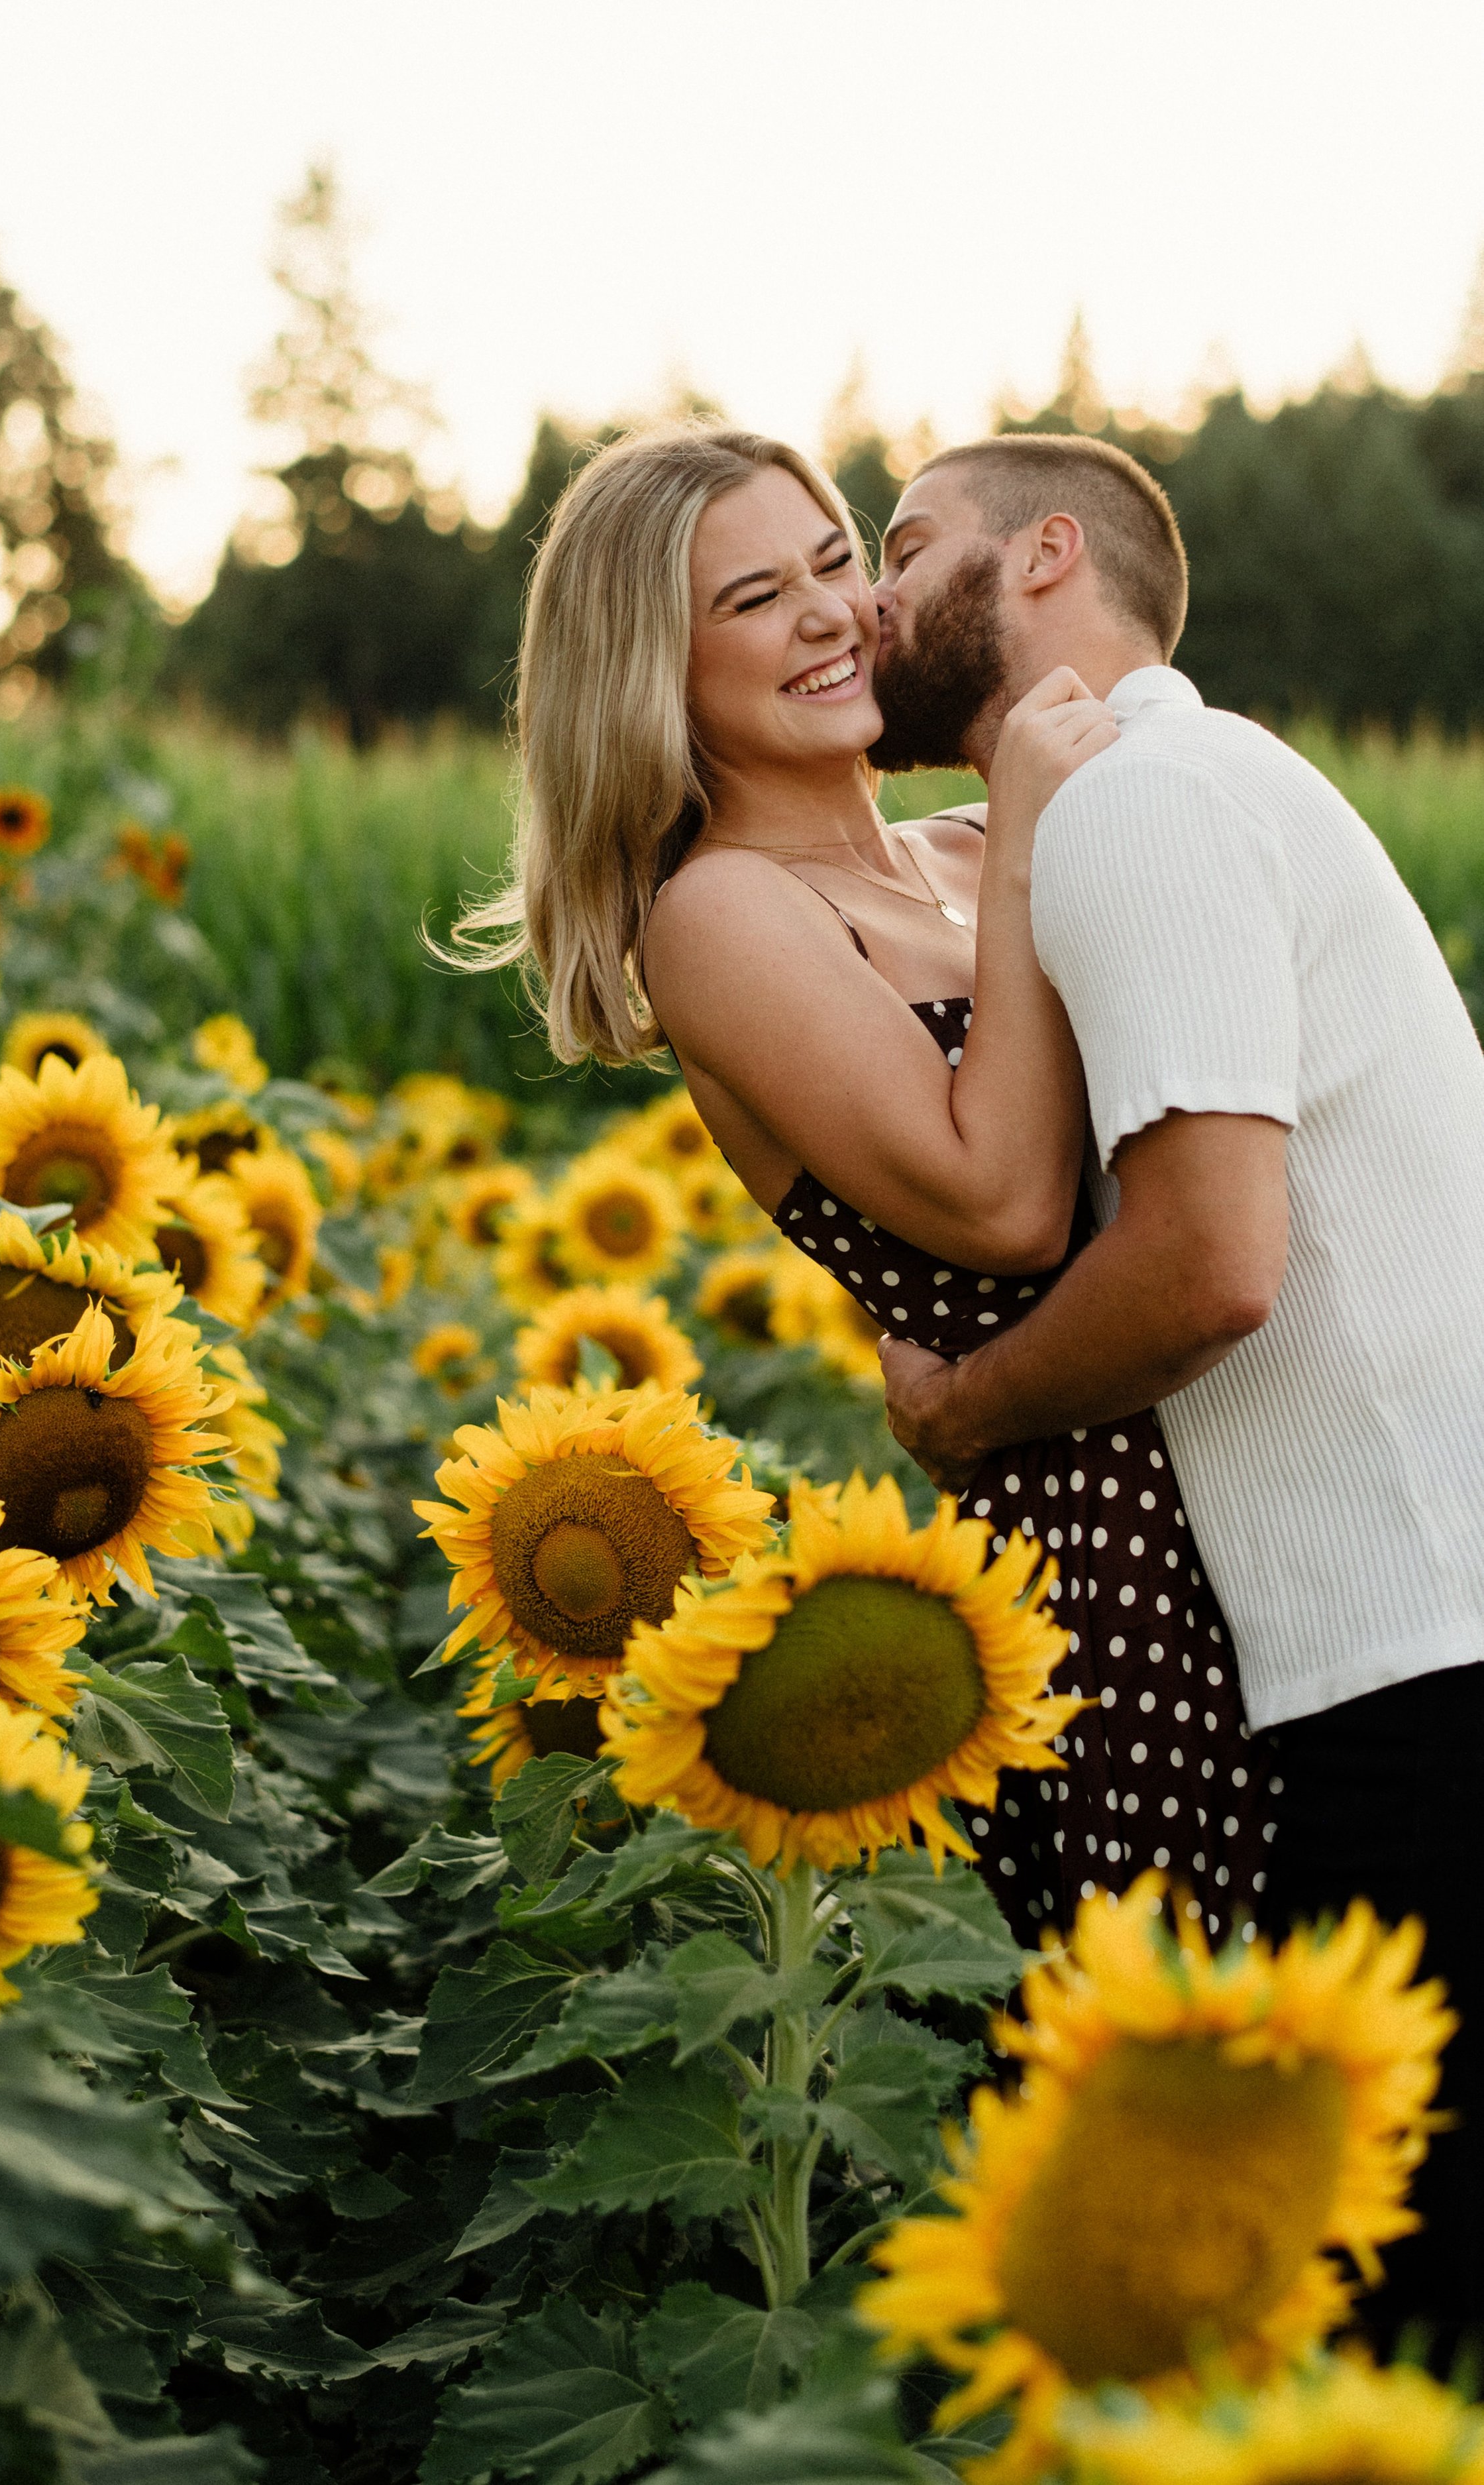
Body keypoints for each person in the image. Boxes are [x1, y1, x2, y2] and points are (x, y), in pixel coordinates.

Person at [451, 421, 1273, 1950]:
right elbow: (1001, 1205)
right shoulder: (718, 919)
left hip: (1261, 1482)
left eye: (837, 559)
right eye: (752, 599)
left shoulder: (974, 837)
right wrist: (1033, 834)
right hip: (1099, 1563)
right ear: (653, 674)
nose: (830, 611)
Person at [871, 427, 1484, 2355]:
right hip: (1419, 1634)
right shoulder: (1215, 780)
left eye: (896, 547)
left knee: (1404, 2346)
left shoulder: (1140, 796)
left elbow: (1214, 1252)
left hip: (1413, 1674)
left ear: (1044, 554)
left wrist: (963, 1409)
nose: (860, 605)